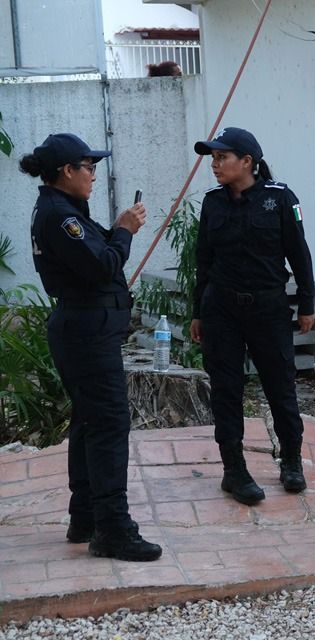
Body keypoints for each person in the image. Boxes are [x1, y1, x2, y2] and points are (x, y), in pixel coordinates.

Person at [21, 133, 162, 562]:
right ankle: (113, 530)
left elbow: (97, 253)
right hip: (86, 332)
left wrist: (117, 230)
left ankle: (84, 517)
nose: (94, 175)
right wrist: (125, 231)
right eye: (89, 167)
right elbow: (103, 265)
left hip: (84, 329)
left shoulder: (63, 211)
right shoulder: (60, 217)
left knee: (90, 422)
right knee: (109, 424)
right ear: (67, 171)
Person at [189, 127, 315, 505]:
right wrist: (197, 312)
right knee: (226, 389)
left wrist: (306, 304)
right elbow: (203, 261)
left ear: (247, 162)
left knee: (280, 386)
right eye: (213, 158)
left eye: (222, 157)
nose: (214, 164)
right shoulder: (213, 203)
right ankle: (234, 470)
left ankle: (291, 461)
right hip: (221, 310)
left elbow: (299, 254)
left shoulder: (280, 199)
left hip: (267, 309)